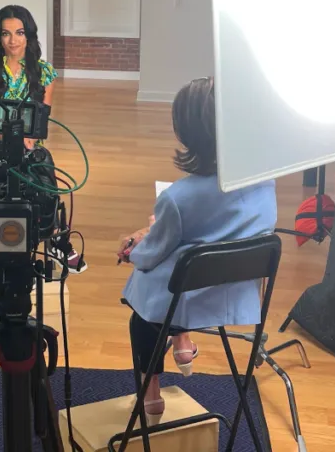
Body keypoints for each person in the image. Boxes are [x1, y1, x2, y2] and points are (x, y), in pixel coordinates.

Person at [117, 77, 277, 423]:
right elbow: (234, 229)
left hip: (189, 296)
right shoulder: (265, 182)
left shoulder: (177, 197)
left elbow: (151, 255)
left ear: (185, 133)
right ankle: (183, 344)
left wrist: (137, 245)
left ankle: (150, 396)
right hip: (236, 294)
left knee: (143, 312)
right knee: (184, 270)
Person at [0, 4, 86, 273]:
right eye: (6, 33)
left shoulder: (45, 73)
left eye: (19, 32)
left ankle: (43, 240)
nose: (13, 40)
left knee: (42, 169)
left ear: (29, 35)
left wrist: (27, 140)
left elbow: (41, 120)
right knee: (28, 173)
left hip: (30, 145)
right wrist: (13, 138)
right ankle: (51, 237)